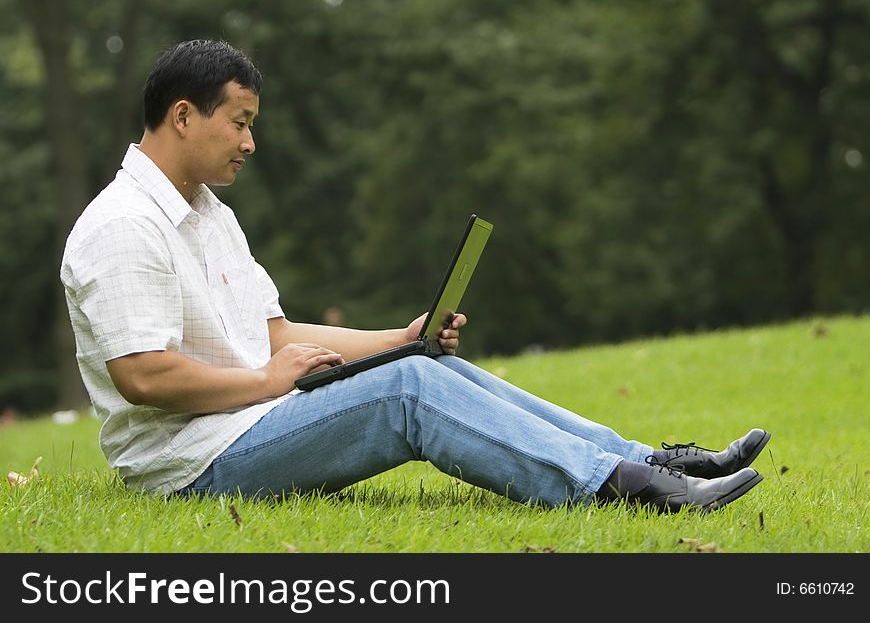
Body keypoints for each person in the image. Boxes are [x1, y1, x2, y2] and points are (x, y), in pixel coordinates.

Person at [60, 39, 770, 514]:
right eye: (239, 122)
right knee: (409, 390)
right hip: (191, 463)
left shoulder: (209, 213)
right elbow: (144, 375)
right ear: (184, 117)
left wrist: (398, 337)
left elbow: (269, 333)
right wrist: (266, 383)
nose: (251, 141)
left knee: (427, 367)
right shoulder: (124, 224)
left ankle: (655, 461)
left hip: (249, 418)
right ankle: (626, 488)